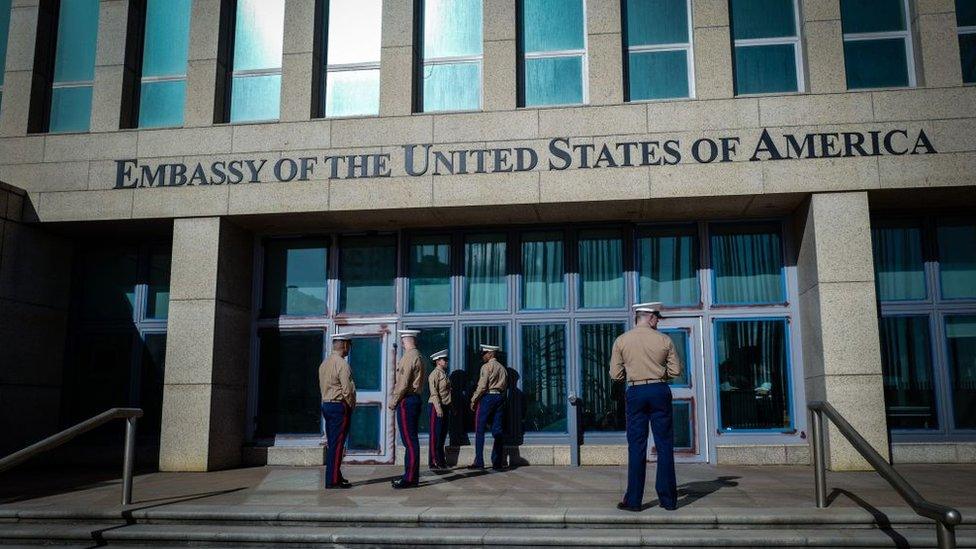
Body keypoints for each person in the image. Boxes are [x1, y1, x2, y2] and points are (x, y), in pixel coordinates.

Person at [610, 302, 682, 512]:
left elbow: (615, 374)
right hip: (659, 390)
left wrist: (633, 376)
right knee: (664, 445)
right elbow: (676, 371)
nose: (658, 321)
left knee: (636, 446)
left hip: (635, 391)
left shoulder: (622, 340)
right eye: (657, 317)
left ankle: (633, 501)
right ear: (650, 318)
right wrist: (659, 376)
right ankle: (668, 500)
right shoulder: (664, 340)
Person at [319, 332, 356, 489]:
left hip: (327, 404)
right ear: (345, 345)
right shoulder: (342, 364)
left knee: (333, 442)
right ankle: (333, 480)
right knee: (338, 444)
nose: (349, 349)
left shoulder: (324, 363)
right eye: (349, 345)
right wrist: (351, 405)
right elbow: (347, 390)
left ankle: (336, 475)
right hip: (339, 406)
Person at [389, 329, 425, 489]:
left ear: (406, 341)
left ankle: (410, 478)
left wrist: (394, 401)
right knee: (412, 440)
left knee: (409, 441)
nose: (402, 344)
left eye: (403, 341)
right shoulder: (419, 355)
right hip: (414, 398)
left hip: (407, 400)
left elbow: (403, 383)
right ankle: (410, 475)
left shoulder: (409, 357)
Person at [469, 344, 508, 470]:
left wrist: (474, 399)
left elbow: (482, 386)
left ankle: (479, 461)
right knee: (497, 430)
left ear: (491, 354)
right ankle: (497, 462)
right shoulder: (502, 368)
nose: (483, 356)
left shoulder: (486, 367)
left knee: (479, 429)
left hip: (487, 397)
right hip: (500, 397)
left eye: (484, 353)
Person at [427, 349, 452, 470]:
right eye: (444, 359)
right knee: (435, 436)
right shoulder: (434, 374)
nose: (447, 361)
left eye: (446, 359)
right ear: (437, 361)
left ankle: (441, 461)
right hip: (436, 407)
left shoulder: (444, 374)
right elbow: (434, 393)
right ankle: (433, 461)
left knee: (442, 436)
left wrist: (451, 407)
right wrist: (438, 409)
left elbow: (448, 393)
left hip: (445, 406)